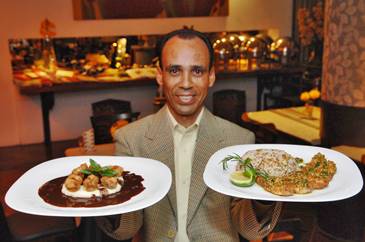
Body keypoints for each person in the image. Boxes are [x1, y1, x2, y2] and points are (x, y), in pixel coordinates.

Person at [97, 28, 282, 242]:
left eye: (197, 71)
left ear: (211, 76)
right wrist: (106, 197)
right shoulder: (130, 139)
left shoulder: (239, 140)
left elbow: (250, 231)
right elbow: (125, 231)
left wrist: (265, 194)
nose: (186, 83)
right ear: (160, 75)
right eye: (175, 71)